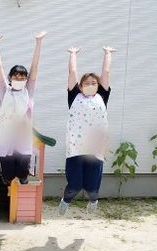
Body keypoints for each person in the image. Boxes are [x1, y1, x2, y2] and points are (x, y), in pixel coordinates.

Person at [59, 46, 116, 215]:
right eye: (86, 83)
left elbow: (106, 72)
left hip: (95, 148)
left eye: (94, 83)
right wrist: (73, 55)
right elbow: (72, 73)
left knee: (92, 186)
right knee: (75, 184)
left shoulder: (102, 97)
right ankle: (66, 200)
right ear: (81, 86)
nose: (90, 85)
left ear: (98, 86)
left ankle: (93, 201)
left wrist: (107, 54)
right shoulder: (74, 96)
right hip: (76, 148)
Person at [0, 31, 46, 186]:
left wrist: (38, 42)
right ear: (10, 78)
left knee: (22, 172)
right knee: (8, 175)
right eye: (16, 77)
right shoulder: (4, 91)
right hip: (7, 136)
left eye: (23, 77)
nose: (20, 79)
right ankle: (6, 176)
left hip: (22, 136)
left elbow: (35, 67)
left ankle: (23, 175)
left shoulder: (28, 91)